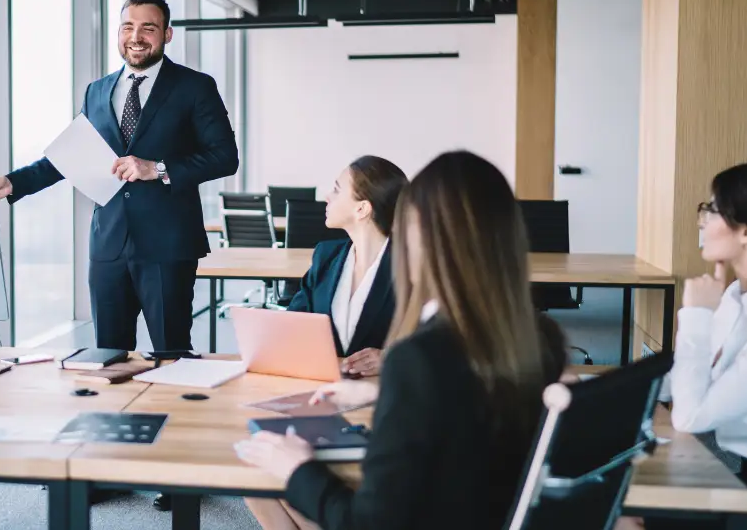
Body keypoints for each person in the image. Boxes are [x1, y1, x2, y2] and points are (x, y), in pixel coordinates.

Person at [235, 150, 567, 530]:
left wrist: (298, 469)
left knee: (264, 472)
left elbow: (369, 524)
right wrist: (382, 393)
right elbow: (477, 392)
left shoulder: (418, 358)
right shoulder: (542, 338)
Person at [0, 0, 239, 353]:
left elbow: (225, 157)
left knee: (172, 352)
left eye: (148, 28)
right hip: (108, 245)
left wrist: (158, 168)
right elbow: (72, 156)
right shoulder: (97, 91)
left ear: (167, 34)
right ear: (118, 32)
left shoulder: (195, 87)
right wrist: (13, 182)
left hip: (167, 245)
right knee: (107, 354)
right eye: (128, 27)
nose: (136, 36)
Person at [668, 159, 747, 528]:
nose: (703, 221)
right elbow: (695, 378)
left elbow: (690, 415)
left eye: (713, 210)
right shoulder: (738, 295)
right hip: (725, 459)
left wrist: (695, 316)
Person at [285, 156, 407, 378]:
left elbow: (444, 341)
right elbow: (293, 323)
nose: (327, 196)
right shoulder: (326, 256)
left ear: (362, 209)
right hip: (323, 392)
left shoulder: (410, 267)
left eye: (337, 189)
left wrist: (392, 358)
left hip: (387, 397)